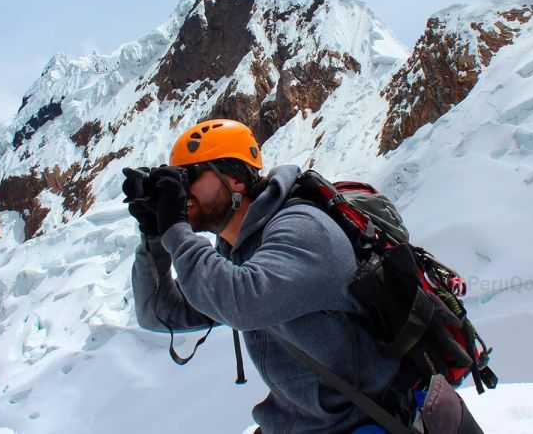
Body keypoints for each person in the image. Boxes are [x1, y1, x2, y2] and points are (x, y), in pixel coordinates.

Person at [125, 118, 401, 434]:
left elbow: (243, 303)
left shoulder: (302, 229)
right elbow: (158, 313)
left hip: (367, 423)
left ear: (235, 180)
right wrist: (153, 236)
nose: (181, 193)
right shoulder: (237, 251)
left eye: (188, 178)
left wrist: (174, 228)